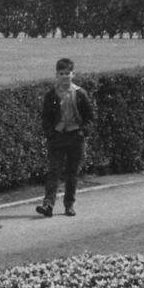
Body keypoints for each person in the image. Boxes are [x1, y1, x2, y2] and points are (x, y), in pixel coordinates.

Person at [36, 58, 96, 218]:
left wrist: (83, 132)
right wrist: (50, 134)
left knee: (72, 173)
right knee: (54, 171)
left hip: (75, 136)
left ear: (72, 74)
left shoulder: (80, 94)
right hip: (57, 137)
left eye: (67, 73)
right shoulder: (51, 95)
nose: (64, 77)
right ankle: (48, 204)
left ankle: (69, 204)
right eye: (61, 73)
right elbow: (46, 118)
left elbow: (90, 117)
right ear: (56, 75)